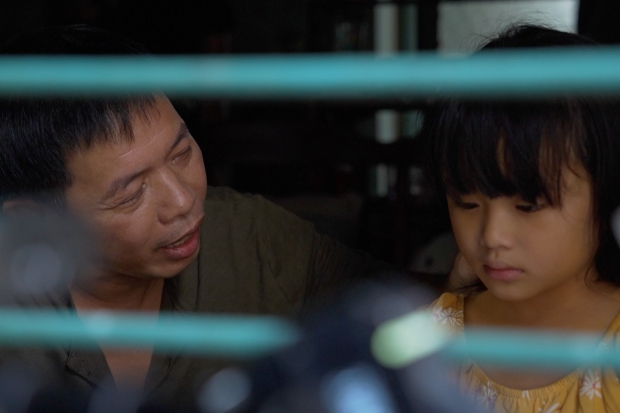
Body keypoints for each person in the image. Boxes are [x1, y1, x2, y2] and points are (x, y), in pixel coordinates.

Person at [0, 24, 462, 410]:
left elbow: (399, 303)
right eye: (131, 194)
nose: (183, 201)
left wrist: (462, 286)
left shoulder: (248, 239)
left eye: (182, 153)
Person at [425, 24, 620, 412]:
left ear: (607, 192)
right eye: (466, 203)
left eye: (528, 206)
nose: (492, 236)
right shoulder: (438, 334)